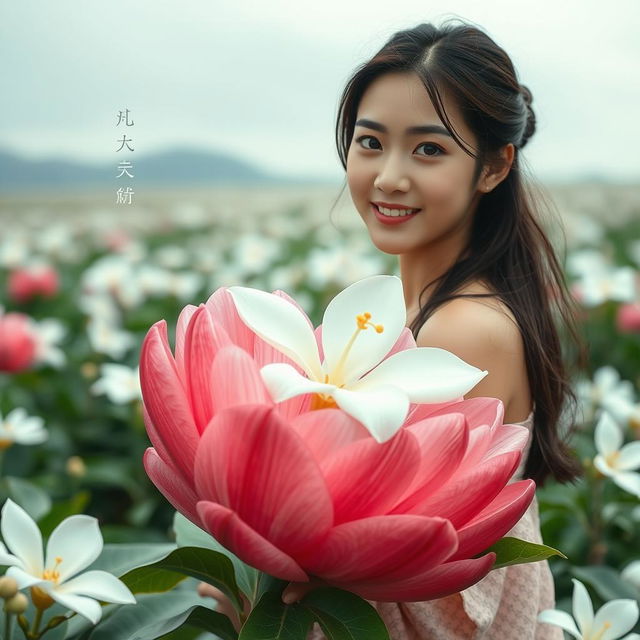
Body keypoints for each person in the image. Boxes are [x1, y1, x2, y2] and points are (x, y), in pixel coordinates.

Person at [201, 18, 587, 639]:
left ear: (493, 168)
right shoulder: (409, 312)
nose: (388, 177)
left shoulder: (463, 330)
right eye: (371, 142)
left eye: (428, 149)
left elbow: (401, 570)